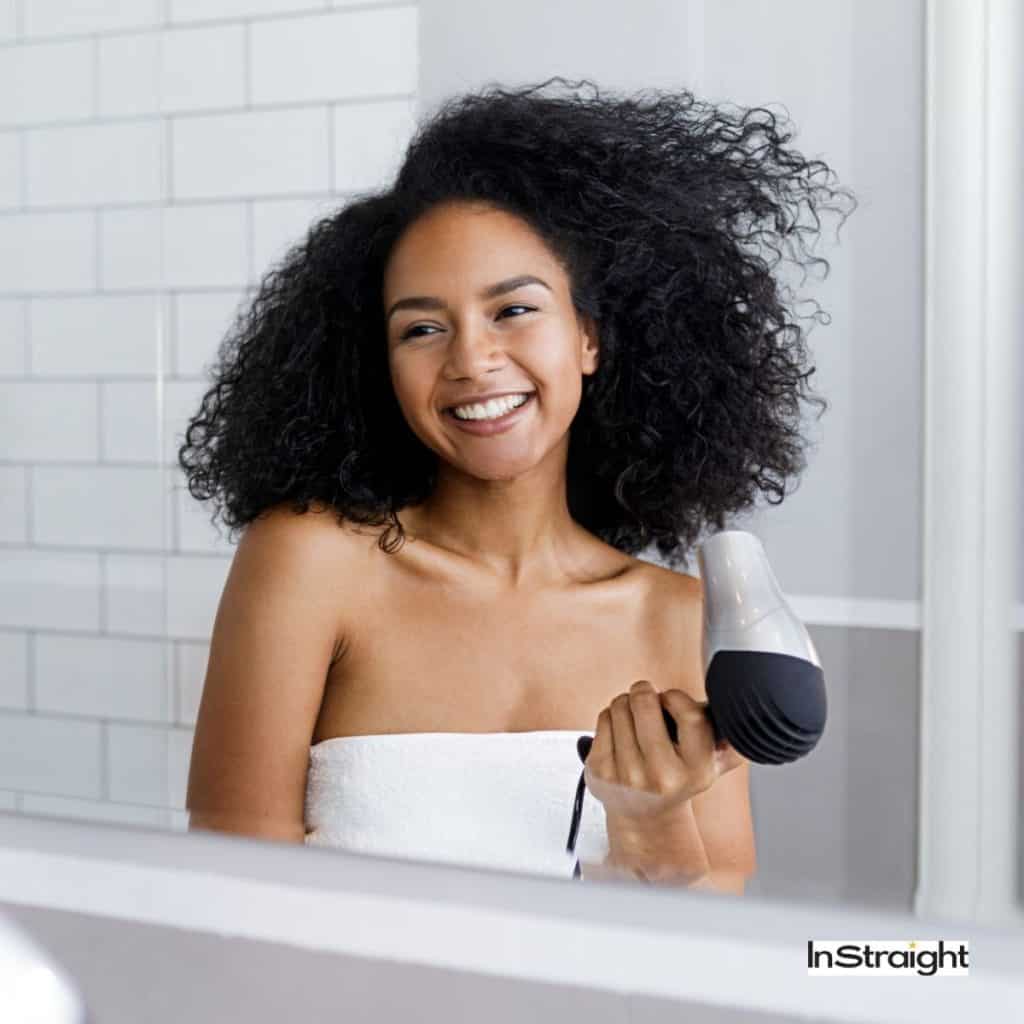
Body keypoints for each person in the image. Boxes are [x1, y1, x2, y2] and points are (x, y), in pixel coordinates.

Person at [180, 77, 855, 890]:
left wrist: (650, 823)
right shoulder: (310, 564)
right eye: (422, 328)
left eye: (514, 311)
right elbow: (229, 895)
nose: (471, 361)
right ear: (381, 365)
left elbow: (695, 953)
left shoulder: (680, 620)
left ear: (589, 339)